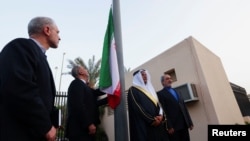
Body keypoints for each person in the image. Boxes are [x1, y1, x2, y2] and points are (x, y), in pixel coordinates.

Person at [0, 16, 61, 141]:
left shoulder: (38, 55)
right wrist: (45, 126)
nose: (59, 37)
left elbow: (42, 96)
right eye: (58, 32)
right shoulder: (21, 47)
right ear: (47, 30)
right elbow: (20, 89)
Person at [65, 65, 107, 141]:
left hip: (86, 131)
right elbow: (78, 105)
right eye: (84, 68)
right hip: (79, 130)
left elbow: (94, 100)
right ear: (80, 72)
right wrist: (89, 124)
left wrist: (109, 89)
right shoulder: (76, 84)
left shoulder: (85, 87)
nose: (86, 70)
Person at [127, 69, 169, 141]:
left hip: (158, 126)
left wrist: (161, 116)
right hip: (144, 127)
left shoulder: (150, 89)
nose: (145, 76)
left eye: (145, 74)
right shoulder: (133, 90)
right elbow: (137, 108)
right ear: (137, 77)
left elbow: (158, 105)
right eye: (142, 75)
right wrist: (152, 120)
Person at [157, 74, 194, 141]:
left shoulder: (177, 92)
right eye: (167, 79)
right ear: (163, 82)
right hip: (173, 127)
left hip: (184, 124)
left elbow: (184, 108)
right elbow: (163, 111)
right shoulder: (160, 94)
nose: (170, 80)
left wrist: (189, 122)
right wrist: (169, 126)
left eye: (170, 78)